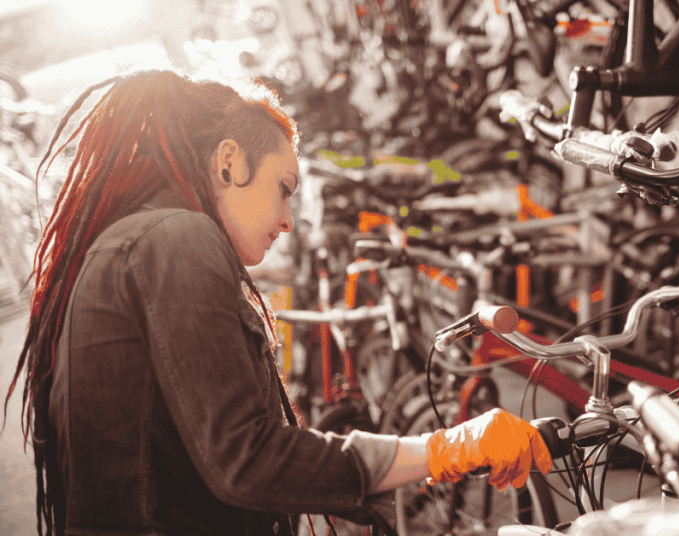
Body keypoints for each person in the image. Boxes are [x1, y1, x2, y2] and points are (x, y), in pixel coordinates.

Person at [4, 69, 552, 536]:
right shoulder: (176, 239)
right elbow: (248, 459)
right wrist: (447, 447)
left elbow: (212, 454)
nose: (289, 220)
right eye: (284, 188)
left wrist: (369, 487)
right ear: (228, 164)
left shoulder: (147, 237)